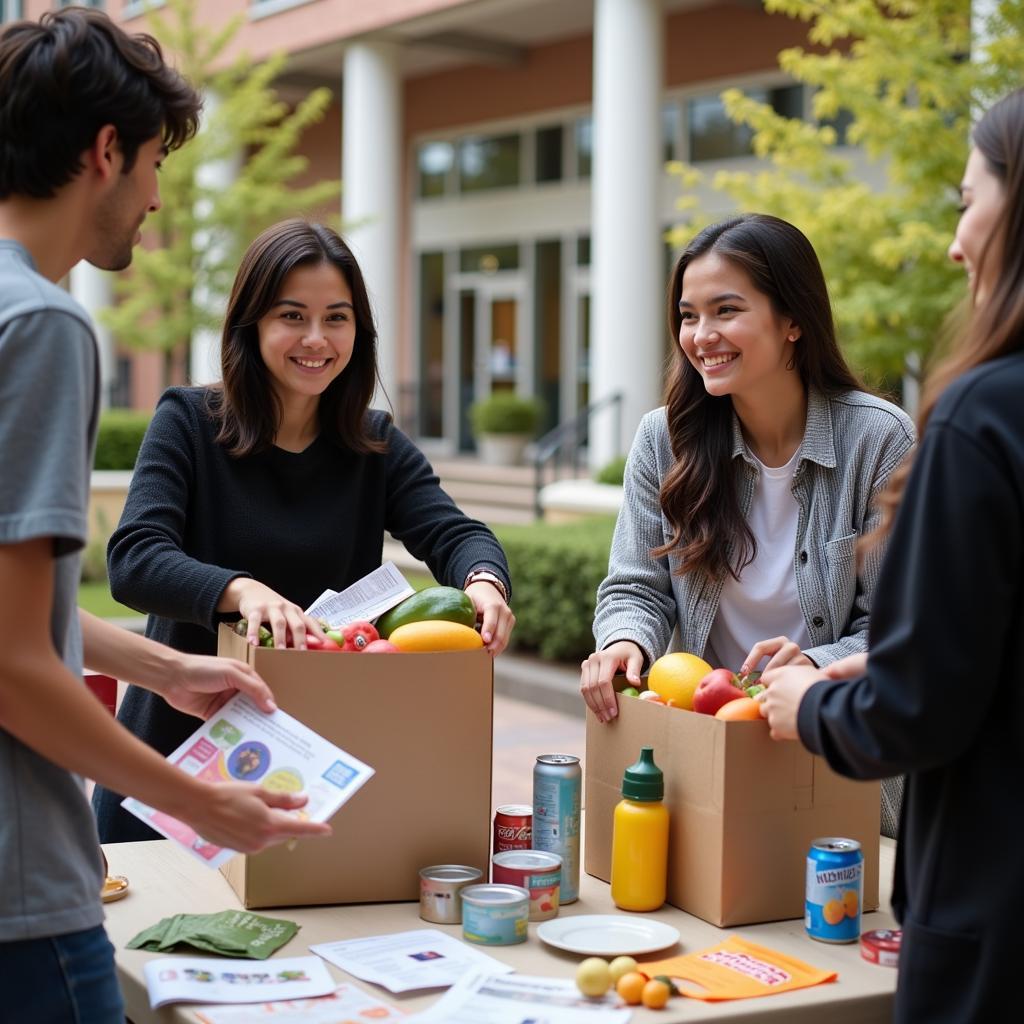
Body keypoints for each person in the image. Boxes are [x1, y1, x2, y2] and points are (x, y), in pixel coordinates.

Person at [0, 10, 330, 1023]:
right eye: (151, 165)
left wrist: (167, 667)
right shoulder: (46, 326)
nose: (155, 200)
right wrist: (198, 800)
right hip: (21, 895)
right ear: (105, 154)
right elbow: (13, 662)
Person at [93, 217, 515, 843]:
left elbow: (454, 534)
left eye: (336, 317)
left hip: (314, 765)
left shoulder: (375, 446)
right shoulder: (188, 420)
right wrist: (240, 590)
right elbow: (134, 558)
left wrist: (484, 582)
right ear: (252, 324)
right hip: (174, 761)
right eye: (292, 315)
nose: (316, 339)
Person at [758, 90, 1024, 1022]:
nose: (957, 242)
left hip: (996, 915)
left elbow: (918, 711)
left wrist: (819, 700)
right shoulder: (661, 442)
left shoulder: (975, 415)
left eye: (967, 199)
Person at [579, 214, 914, 836]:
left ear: (793, 321)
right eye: (687, 315)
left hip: (840, 760)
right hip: (707, 757)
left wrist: (812, 665)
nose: (701, 335)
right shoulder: (666, 438)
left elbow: (900, 632)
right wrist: (626, 642)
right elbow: (635, 588)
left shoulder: (879, 439)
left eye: (725, 310)